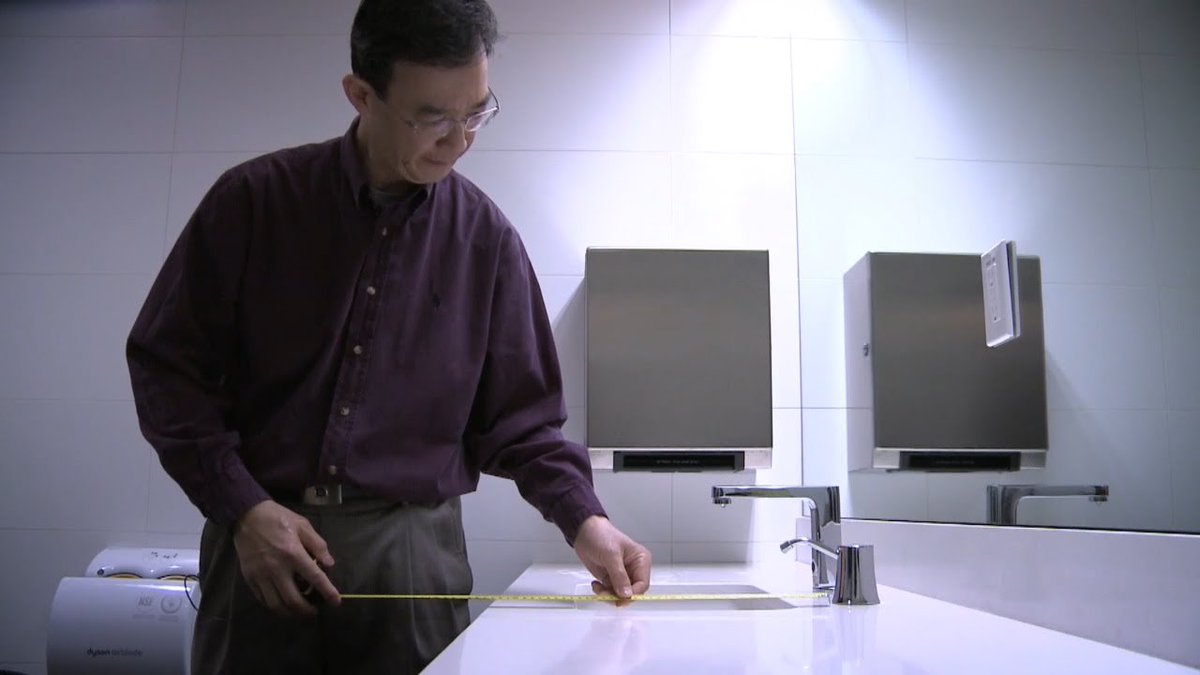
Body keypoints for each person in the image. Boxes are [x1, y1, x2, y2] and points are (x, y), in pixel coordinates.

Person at [126, 0, 652, 672]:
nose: (459, 139)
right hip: (260, 537)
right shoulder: (253, 203)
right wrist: (243, 508)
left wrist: (587, 520)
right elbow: (167, 366)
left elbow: (522, 424)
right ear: (360, 94)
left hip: (413, 550)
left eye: (477, 112)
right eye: (433, 116)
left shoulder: (486, 241)